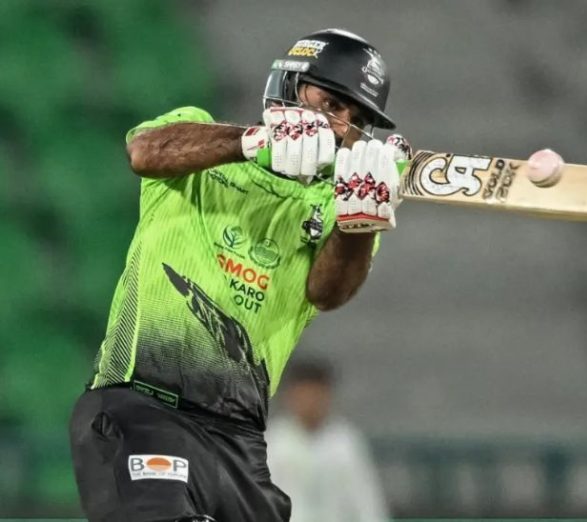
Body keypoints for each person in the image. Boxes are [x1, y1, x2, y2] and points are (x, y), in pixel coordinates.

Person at [68, 28, 410, 522]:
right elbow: (145, 151)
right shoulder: (200, 139)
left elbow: (328, 293)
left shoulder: (333, 205)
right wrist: (256, 142)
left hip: (240, 443)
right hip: (142, 410)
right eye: (332, 104)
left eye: (357, 121)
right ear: (289, 86)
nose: (341, 127)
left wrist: (358, 224)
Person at [266, 357, 389, 522]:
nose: (310, 402)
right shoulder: (274, 442)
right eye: (303, 395)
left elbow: (366, 501)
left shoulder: (346, 443)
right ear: (290, 397)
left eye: (316, 395)